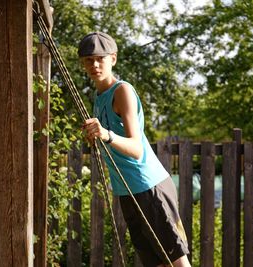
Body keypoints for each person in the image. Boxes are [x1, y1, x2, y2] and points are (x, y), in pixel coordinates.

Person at [79, 32, 191, 267]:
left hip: (149, 187)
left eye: (101, 58)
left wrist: (106, 135)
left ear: (113, 59)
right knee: (156, 263)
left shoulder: (122, 91)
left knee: (177, 263)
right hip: (127, 191)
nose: (95, 64)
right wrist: (96, 138)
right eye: (89, 60)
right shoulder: (98, 98)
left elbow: (137, 148)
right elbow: (109, 141)